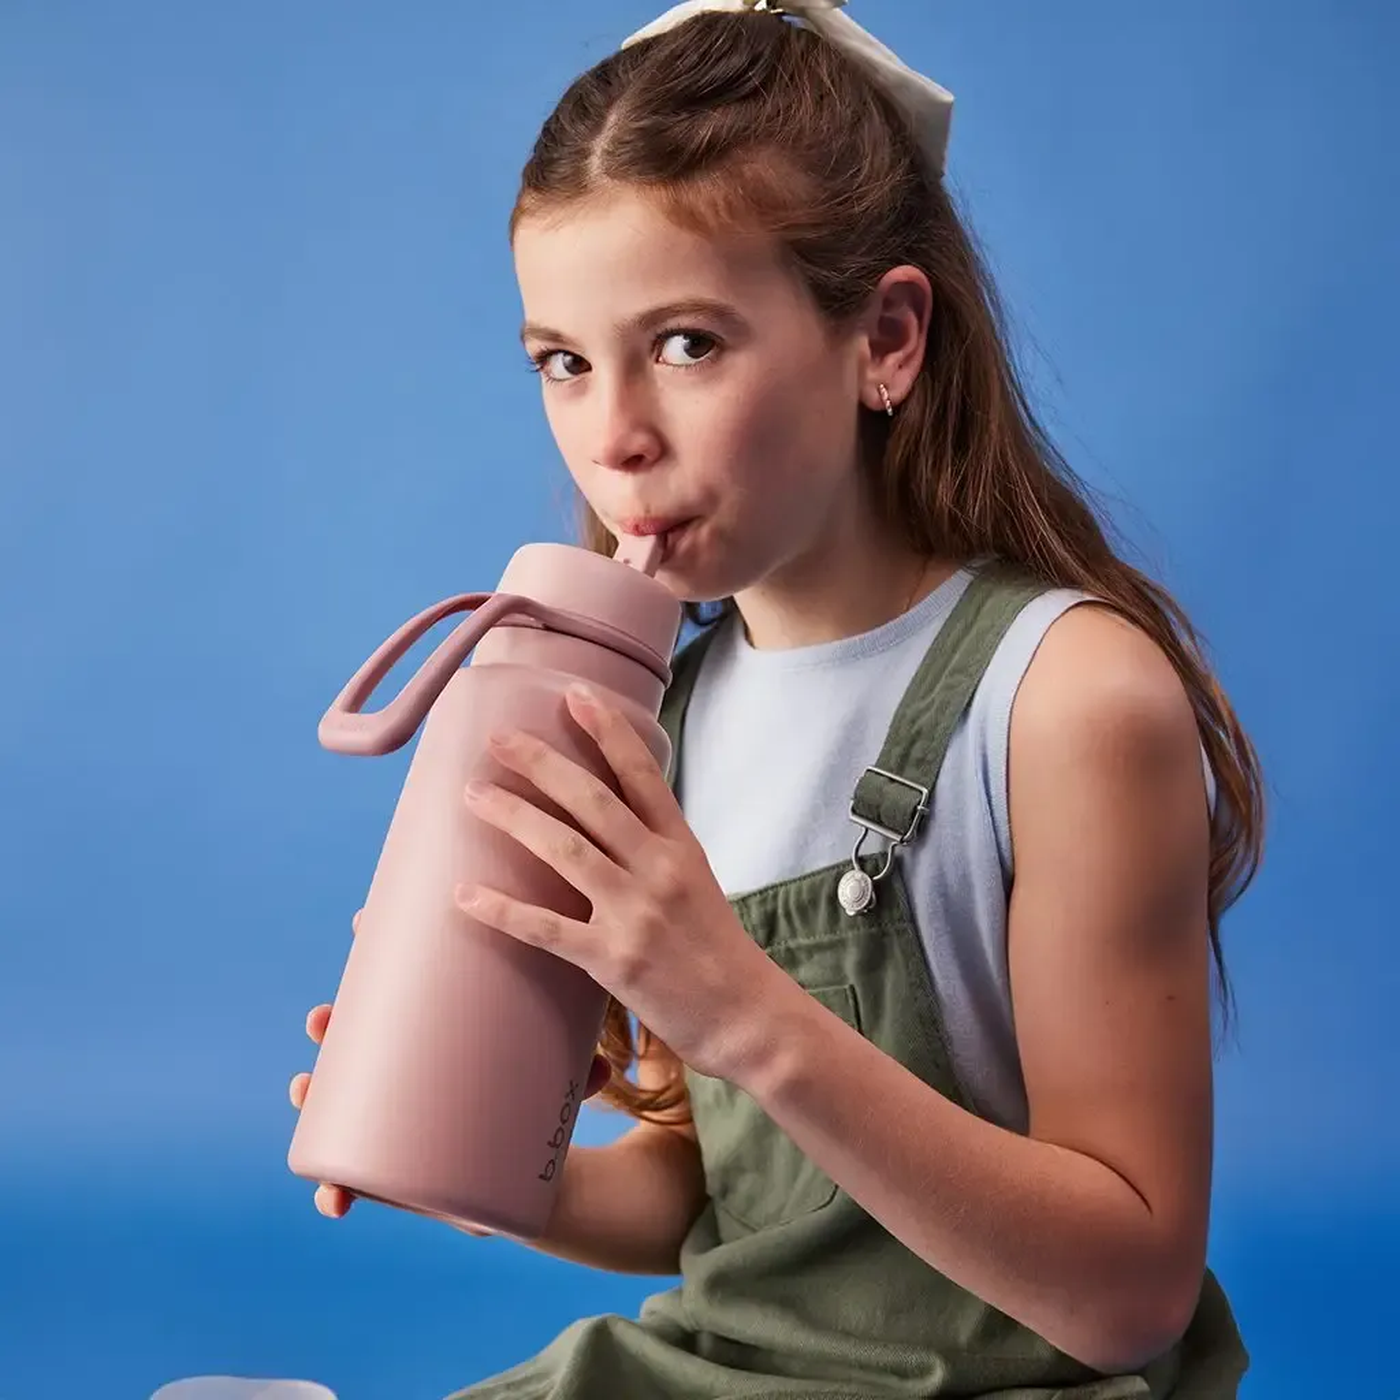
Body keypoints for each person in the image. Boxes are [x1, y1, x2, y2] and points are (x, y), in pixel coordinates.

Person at [288, 2, 1265, 1394]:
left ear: (887, 339)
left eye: (687, 344)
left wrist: (741, 1009)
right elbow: (722, 1196)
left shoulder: (1067, 702)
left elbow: (1129, 1297)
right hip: (728, 1366)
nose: (614, 436)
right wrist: (478, 1158)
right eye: (565, 362)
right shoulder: (668, 715)